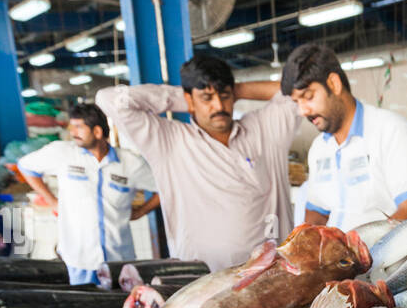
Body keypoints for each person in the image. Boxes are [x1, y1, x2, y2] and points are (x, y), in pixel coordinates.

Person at [96, 54, 298, 271]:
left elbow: (295, 93)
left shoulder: (265, 130)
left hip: (273, 277)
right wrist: (185, 96)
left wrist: (236, 89)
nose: (219, 105)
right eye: (207, 98)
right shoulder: (168, 141)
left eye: (224, 95)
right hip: (201, 280)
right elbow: (107, 99)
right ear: (189, 100)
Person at [281, 42, 407, 231]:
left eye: (309, 97)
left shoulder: (391, 131)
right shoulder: (319, 148)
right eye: (297, 102)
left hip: (386, 258)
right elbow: (317, 215)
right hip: (340, 259)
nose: (303, 111)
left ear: (333, 84)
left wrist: (358, 251)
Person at [17, 102, 157, 286]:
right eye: (72, 126)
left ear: (97, 132)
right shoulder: (63, 153)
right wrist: (52, 201)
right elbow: (25, 166)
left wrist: (140, 212)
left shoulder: (130, 164)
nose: (72, 132)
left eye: (78, 127)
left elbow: (164, 187)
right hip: (77, 260)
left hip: (119, 259)